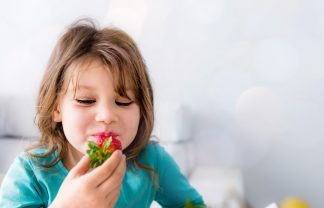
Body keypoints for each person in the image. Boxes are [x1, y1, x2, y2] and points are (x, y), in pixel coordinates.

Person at [0, 19, 205, 208]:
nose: (106, 116)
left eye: (123, 102)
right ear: (56, 108)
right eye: (86, 101)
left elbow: (193, 204)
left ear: (142, 109)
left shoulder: (152, 160)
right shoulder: (29, 173)